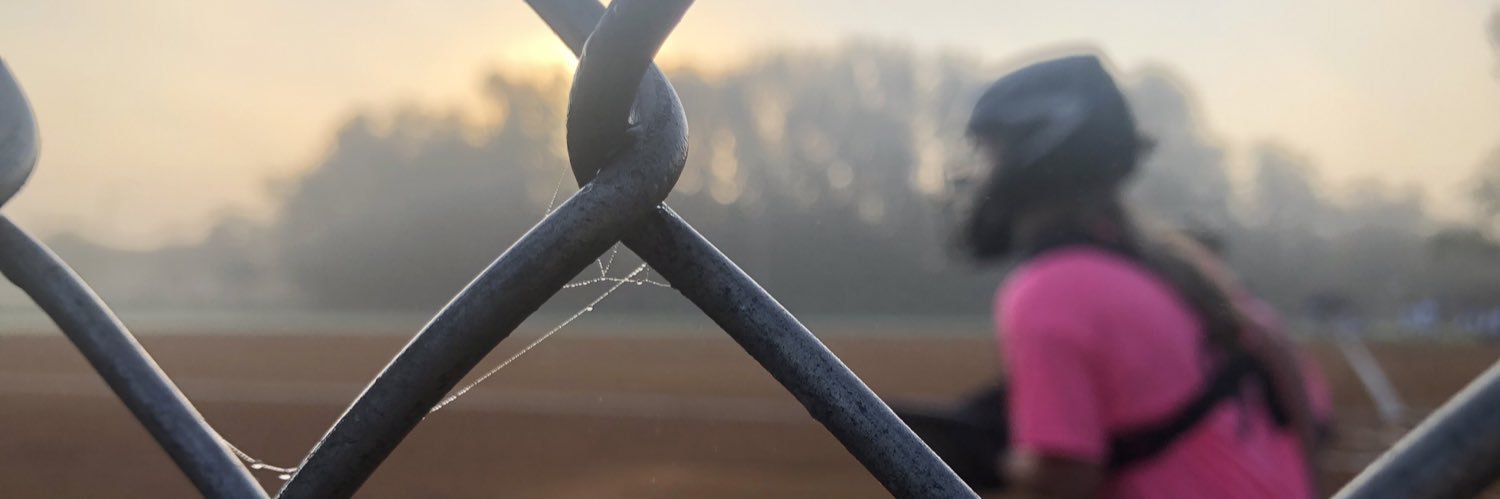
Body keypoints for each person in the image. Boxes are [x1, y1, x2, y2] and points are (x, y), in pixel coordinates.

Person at [947, 52, 1321, 498]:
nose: (979, 174)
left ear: (1038, 149)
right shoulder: (1172, 266)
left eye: (989, 151)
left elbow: (1067, 477)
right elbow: (1302, 396)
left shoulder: (1049, 289)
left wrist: (998, 458)